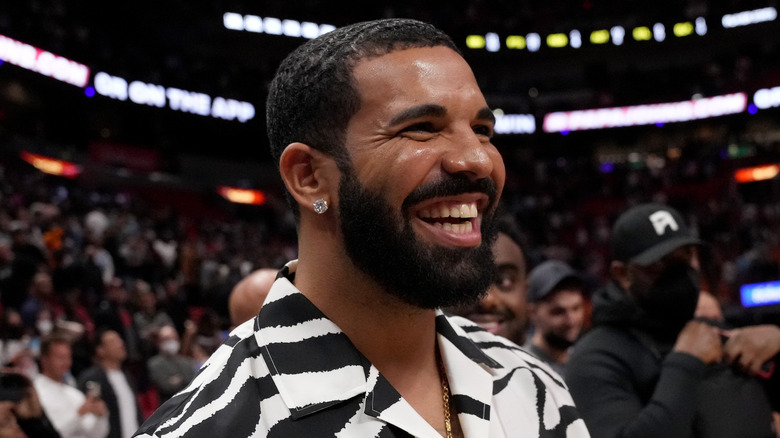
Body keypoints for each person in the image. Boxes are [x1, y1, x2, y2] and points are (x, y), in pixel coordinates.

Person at [134, 18, 589, 438]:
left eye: (482, 129)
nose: (475, 159)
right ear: (308, 176)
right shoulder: (205, 427)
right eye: (423, 128)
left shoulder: (535, 383)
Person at [566, 202, 780, 437]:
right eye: (659, 263)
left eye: (686, 257)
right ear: (622, 274)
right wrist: (685, 364)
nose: (679, 275)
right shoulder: (595, 358)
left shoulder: (715, 329)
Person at [449, 213, 530, 344]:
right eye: (468, 279)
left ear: (526, 292)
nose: (487, 300)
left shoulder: (545, 365)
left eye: (504, 281)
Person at [33, 334, 109, 438]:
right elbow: (47, 434)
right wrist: (79, 414)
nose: (66, 363)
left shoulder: (74, 394)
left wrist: (100, 417)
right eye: (60, 357)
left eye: (68, 357)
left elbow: (96, 435)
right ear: (44, 360)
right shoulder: (35, 393)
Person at [523, 260, 587, 379]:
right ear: (532, 313)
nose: (571, 321)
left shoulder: (585, 359)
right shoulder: (524, 368)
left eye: (576, 308)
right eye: (558, 312)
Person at [77, 329, 144, 438]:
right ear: (100, 350)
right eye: (113, 341)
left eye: (120, 340)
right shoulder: (92, 378)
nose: (120, 344)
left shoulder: (128, 377)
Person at [145, 325, 194, 403]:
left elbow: (193, 384)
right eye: (166, 339)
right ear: (159, 343)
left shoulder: (186, 362)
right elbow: (166, 387)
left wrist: (177, 380)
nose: (171, 341)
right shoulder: (154, 363)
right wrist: (183, 380)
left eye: (173, 338)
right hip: (168, 406)